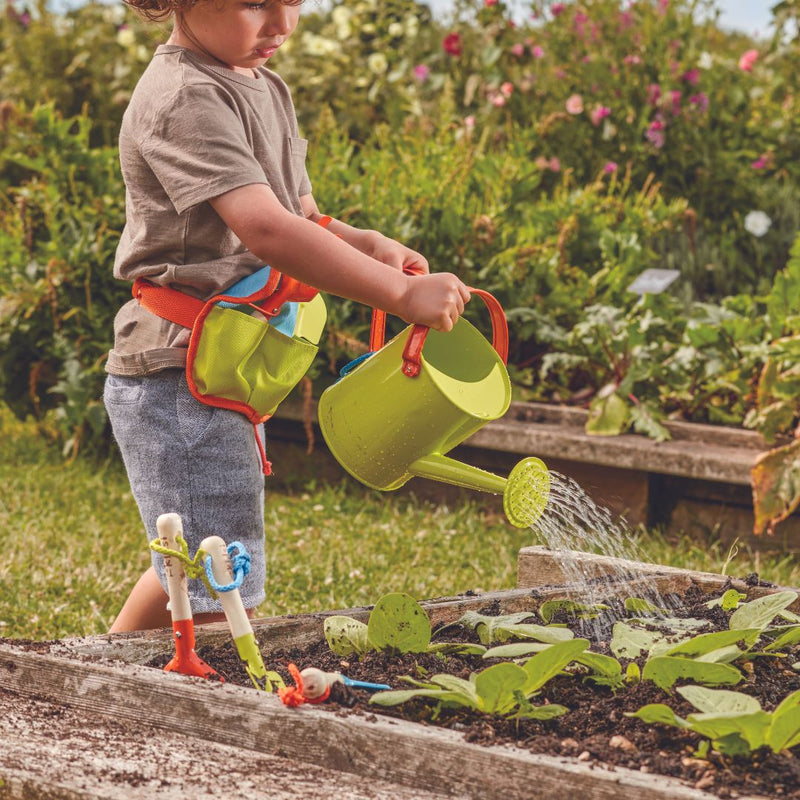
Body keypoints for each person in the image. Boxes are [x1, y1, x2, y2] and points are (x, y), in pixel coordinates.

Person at [104, 0, 470, 632]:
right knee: (223, 573)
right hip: (177, 371)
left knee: (198, 557)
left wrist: (366, 243)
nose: (282, 25)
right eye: (255, 4)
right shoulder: (183, 97)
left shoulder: (261, 83)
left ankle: (97, 670)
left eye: (294, 1)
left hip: (227, 363)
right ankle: (157, 695)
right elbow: (266, 229)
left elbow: (298, 215)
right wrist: (400, 295)